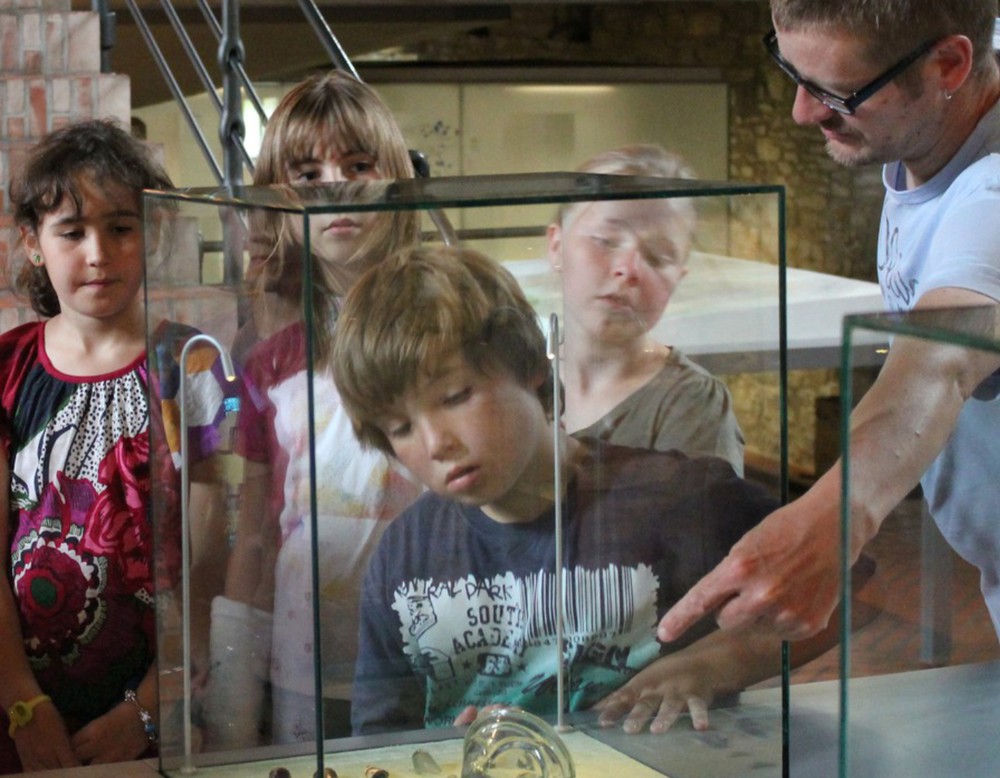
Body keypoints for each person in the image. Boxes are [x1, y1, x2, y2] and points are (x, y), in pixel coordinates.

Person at [331, 245, 842, 736]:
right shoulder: (405, 553)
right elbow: (380, 734)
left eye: (455, 396)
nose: (435, 443)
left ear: (527, 365)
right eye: (399, 427)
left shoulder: (677, 496)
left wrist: (713, 663)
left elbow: (842, 591)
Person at [659, 0, 1000, 645]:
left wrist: (832, 517)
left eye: (835, 93)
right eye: (793, 74)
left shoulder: (990, 196)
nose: (802, 112)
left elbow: (939, 364)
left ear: (949, 64)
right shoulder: (953, 96)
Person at [0, 119, 235, 773]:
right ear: (33, 243)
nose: (98, 253)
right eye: (72, 232)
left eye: (120, 228)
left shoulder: (190, 364)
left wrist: (152, 704)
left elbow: (210, 555)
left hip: (159, 708)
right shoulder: (8, 369)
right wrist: (22, 702)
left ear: (150, 234)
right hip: (24, 709)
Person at [203, 70, 424, 748]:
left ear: (393, 177)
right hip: (308, 660)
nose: (337, 187)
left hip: (428, 643)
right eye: (307, 172)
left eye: (359, 165)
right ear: (280, 195)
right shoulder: (274, 358)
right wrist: (231, 701)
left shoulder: (442, 325)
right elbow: (262, 528)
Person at [548, 144, 745, 474]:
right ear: (557, 247)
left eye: (657, 257)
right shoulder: (514, 379)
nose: (629, 269)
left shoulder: (691, 405)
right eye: (606, 241)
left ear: (678, 277)